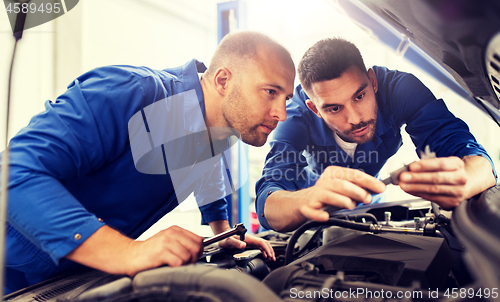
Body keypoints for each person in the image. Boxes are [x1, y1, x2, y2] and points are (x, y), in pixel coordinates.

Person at [2, 31, 296, 294]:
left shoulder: (214, 133)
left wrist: (223, 235)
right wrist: (127, 252)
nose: (281, 114)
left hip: (75, 277)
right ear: (223, 80)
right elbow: (13, 173)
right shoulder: (131, 92)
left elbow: (210, 170)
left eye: (286, 98)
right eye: (271, 91)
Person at [255, 38, 496, 232]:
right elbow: (268, 201)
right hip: (309, 218)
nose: (355, 118)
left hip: (370, 208)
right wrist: (305, 200)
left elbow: (473, 159)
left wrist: (465, 179)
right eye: (334, 108)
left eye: (359, 96)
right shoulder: (294, 116)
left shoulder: (400, 90)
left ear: (372, 81)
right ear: (315, 109)